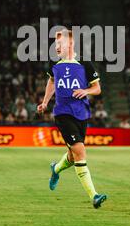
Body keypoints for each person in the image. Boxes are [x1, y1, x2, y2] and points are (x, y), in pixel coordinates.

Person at [37, 29, 107, 209]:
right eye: (55, 44)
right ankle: (94, 196)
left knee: (72, 154)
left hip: (81, 114)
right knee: (80, 152)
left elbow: (97, 88)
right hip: (62, 114)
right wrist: (45, 102)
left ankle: (56, 169)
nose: (57, 47)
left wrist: (86, 91)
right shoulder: (54, 63)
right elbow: (52, 82)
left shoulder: (84, 64)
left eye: (60, 43)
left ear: (70, 44)